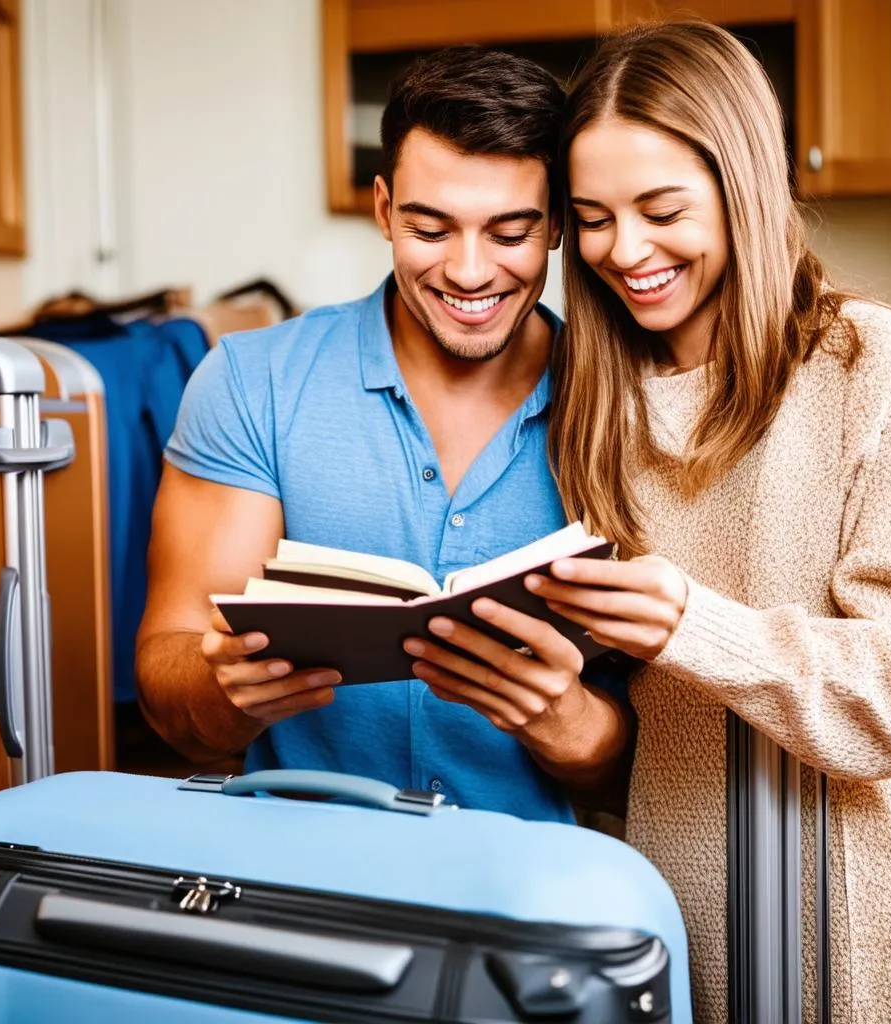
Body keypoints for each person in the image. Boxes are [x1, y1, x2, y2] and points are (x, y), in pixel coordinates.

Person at [530, 18, 891, 1024]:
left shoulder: (870, 366)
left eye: (661, 209)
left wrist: (690, 625)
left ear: (741, 186)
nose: (626, 250)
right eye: (592, 217)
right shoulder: (590, 401)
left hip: (854, 931)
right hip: (666, 908)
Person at [135, 45, 629, 823]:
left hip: (528, 893)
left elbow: (664, 771)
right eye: (430, 228)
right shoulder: (252, 381)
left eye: (509, 233)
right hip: (308, 885)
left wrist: (573, 728)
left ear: (559, 224)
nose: (469, 272)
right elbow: (172, 696)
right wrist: (223, 688)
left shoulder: (629, 407)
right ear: (383, 208)